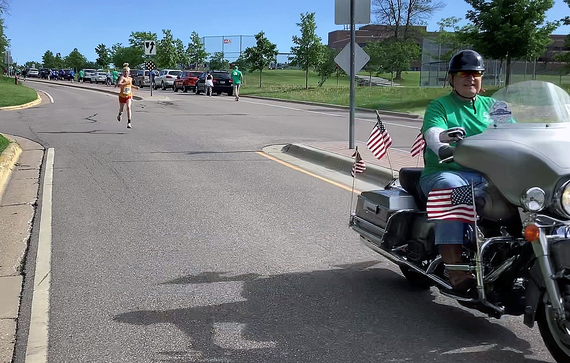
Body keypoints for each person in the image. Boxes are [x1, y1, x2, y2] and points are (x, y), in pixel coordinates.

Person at [419, 49, 494, 292]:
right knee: (453, 188)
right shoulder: (440, 106)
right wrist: (441, 145)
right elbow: (432, 132)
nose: (470, 78)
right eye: (464, 73)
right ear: (452, 78)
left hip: (489, 174)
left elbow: (514, 133)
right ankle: (456, 269)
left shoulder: (494, 106)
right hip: (446, 172)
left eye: (476, 73)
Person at [115, 63, 137, 129]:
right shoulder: (122, 78)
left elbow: (129, 85)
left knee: (128, 107)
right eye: (125, 71)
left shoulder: (130, 79)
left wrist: (135, 87)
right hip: (122, 96)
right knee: (121, 109)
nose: (126, 72)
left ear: (129, 72)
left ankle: (129, 122)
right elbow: (119, 84)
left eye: (127, 71)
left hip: (128, 95)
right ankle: (119, 114)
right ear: (123, 72)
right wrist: (125, 83)